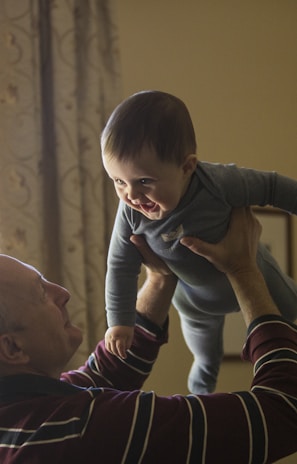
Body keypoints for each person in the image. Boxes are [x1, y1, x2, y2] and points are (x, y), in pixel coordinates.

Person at [0, 207, 296, 463]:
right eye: (41, 293)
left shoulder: (26, 413)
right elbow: (284, 411)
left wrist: (160, 278)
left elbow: (106, 373)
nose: (62, 293)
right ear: (12, 348)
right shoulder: (83, 429)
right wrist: (243, 269)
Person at [101, 89, 297, 393]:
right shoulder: (130, 213)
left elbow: (272, 186)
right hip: (195, 302)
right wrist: (120, 321)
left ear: (186, 167)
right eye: (118, 181)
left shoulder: (218, 183)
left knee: (290, 316)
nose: (131, 195)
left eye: (144, 181)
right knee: (206, 358)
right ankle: (200, 397)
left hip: (257, 275)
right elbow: (119, 266)